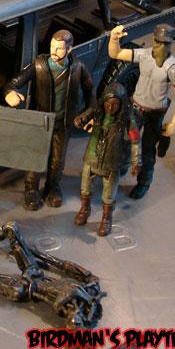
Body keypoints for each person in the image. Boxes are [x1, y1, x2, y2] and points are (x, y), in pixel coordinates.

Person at [4, 30, 95, 209]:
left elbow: (90, 91)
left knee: (58, 160)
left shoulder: (78, 67)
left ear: (69, 49)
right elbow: (14, 82)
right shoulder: (39, 65)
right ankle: (31, 189)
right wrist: (10, 93)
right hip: (41, 122)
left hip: (63, 122)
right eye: (52, 47)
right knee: (35, 155)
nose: (53, 51)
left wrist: (88, 114)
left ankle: (52, 187)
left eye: (59, 48)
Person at [109, 23, 175, 199]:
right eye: (158, 41)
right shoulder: (144, 55)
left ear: (171, 42)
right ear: (153, 39)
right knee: (126, 141)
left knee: (147, 150)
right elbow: (116, 54)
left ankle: (144, 182)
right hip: (136, 109)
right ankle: (123, 166)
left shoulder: (173, 68)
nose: (160, 46)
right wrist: (114, 38)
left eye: (165, 43)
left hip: (155, 114)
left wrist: (174, 123)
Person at [74, 83, 141, 236]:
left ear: (121, 105)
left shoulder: (126, 119)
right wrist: (80, 120)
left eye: (115, 104)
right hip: (92, 157)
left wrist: (136, 161)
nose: (110, 107)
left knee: (109, 194)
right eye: (108, 104)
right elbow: (83, 116)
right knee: (85, 187)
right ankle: (85, 209)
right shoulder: (97, 111)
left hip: (112, 161)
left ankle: (106, 218)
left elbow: (135, 139)